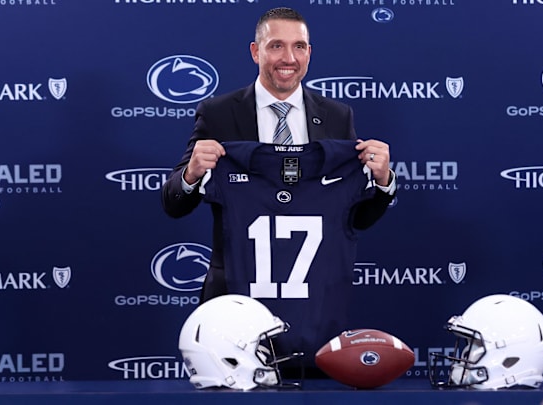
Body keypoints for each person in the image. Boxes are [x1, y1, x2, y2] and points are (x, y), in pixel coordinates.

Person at [162, 7, 396, 371]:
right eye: (276, 46)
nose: (288, 58)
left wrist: (382, 183)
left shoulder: (337, 116)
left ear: (309, 53)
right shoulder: (219, 112)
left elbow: (354, 218)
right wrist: (191, 174)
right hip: (233, 299)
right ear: (256, 51)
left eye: (299, 46)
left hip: (312, 303)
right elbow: (173, 204)